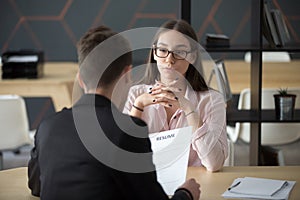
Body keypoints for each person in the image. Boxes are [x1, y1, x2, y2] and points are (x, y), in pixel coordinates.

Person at [27, 25, 200, 200]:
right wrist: (186, 194)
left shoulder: (47, 126)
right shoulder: (127, 131)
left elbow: (36, 187)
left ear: (80, 78)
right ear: (126, 74)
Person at [123, 19, 228, 172]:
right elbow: (125, 157)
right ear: (154, 53)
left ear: (192, 57)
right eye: (163, 50)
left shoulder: (212, 100)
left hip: (194, 186)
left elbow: (214, 164)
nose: (169, 60)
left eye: (179, 52)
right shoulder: (136, 95)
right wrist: (138, 106)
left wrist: (189, 108)